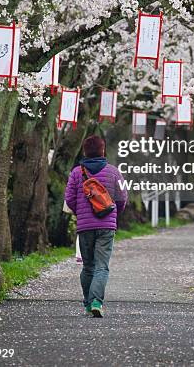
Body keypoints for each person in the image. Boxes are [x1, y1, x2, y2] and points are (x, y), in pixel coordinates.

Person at [65, 135, 127, 318]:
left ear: (85, 151)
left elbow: (69, 199)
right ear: (103, 150)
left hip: (85, 227)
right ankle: (96, 302)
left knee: (88, 266)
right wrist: (115, 213)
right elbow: (123, 197)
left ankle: (87, 303)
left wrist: (81, 214)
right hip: (106, 226)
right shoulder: (114, 172)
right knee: (102, 267)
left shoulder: (77, 172)